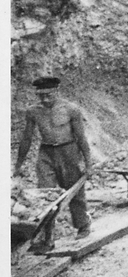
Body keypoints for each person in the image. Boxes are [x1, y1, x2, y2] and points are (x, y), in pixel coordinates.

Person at [13, 76, 93, 250]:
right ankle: (47, 237)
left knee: (74, 189)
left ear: (56, 91)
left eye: (48, 94)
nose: (45, 99)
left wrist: (88, 162)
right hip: (46, 154)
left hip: (69, 151)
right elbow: (26, 138)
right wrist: (18, 165)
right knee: (45, 195)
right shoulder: (33, 111)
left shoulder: (71, 109)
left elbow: (81, 137)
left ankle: (82, 224)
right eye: (41, 95)